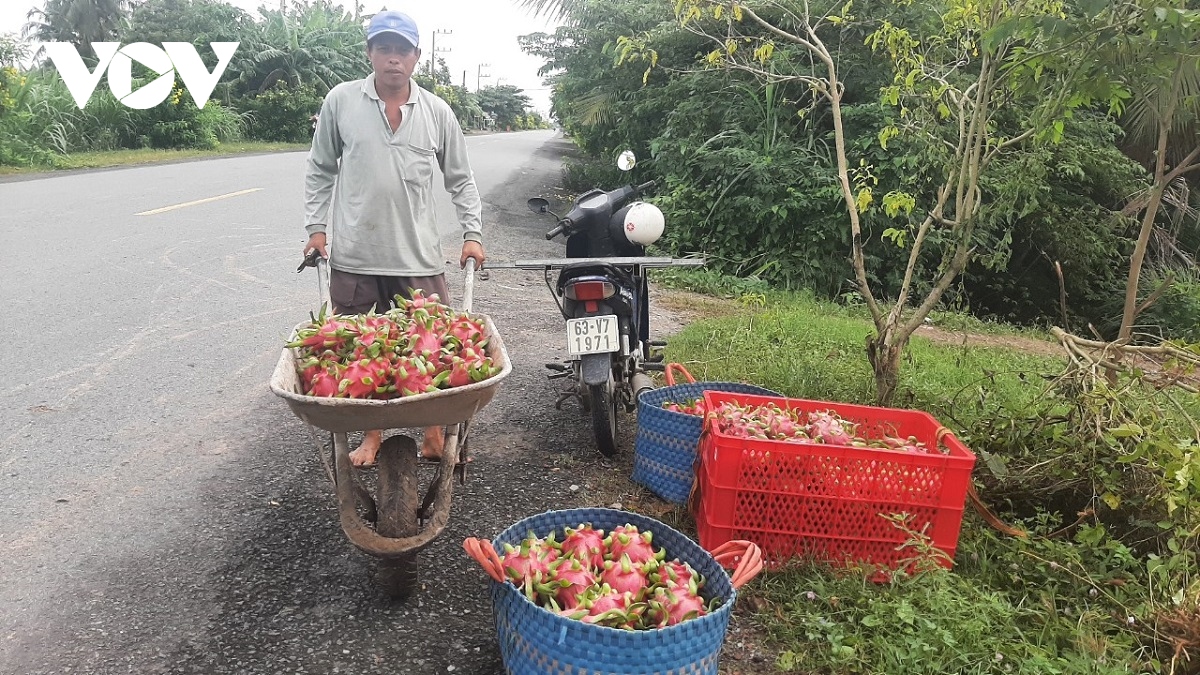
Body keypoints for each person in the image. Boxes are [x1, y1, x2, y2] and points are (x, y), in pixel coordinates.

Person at [303, 9, 486, 467]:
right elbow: (321, 168)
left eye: (402, 49)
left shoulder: (437, 112)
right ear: (369, 53)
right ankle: (372, 436)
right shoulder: (341, 102)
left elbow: (460, 180)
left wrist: (472, 233)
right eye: (383, 48)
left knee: (432, 349)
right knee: (361, 355)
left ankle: (432, 432)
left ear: (416, 57)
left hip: (419, 259)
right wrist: (316, 227)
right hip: (356, 258)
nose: (392, 58)